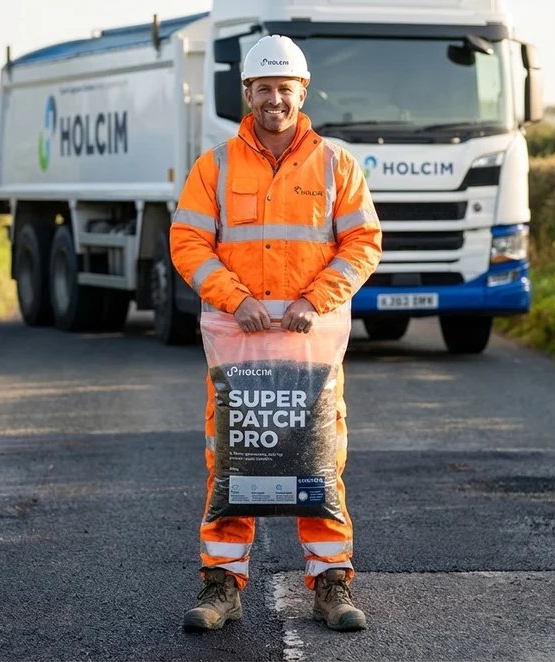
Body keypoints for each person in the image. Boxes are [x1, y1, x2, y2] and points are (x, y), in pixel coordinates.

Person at [169, 34, 382, 633]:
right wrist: (236, 299)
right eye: (264, 89)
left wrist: (316, 299)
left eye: (284, 89)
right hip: (237, 339)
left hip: (309, 340)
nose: (274, 100)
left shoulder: (337, 164)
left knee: (320, 461)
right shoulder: (214, 166)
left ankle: (332, 583)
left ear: (302, 92)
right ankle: (220, 586)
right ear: (248, 93)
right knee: (230, 460)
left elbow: (363, 244)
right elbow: (187, 242)